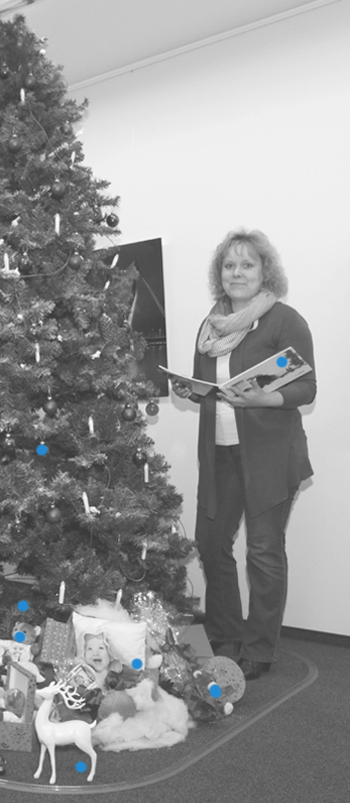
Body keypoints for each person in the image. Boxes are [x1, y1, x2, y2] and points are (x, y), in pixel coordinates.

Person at [172, 229, 315, 681]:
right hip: (219, 453)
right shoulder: (210, 326)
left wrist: (263, 399)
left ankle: (259, 649)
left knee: (263, 552)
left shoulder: (283, 320)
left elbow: (307, 387)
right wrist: (191, 390)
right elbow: (210, 387)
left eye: (247, 264)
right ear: (220, 274)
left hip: (270, 456)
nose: (237, 273)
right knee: (211, 544)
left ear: (264, 272)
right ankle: (225, 636)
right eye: (229, 265)